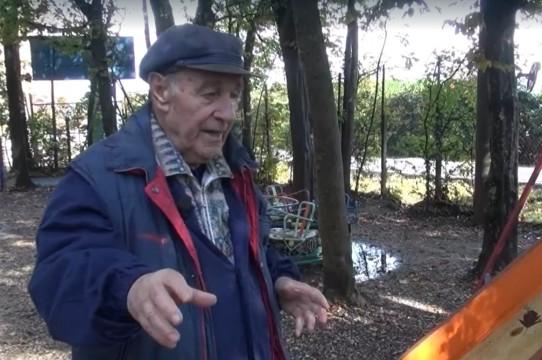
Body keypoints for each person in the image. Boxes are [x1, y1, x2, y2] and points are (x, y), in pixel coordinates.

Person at [28, 24, 329, 360]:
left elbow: (256, 248)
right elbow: (59, 278)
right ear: (160, 91)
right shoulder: (96, 177)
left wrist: (278, 279)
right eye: (210, 93)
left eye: (234, 95)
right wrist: (128, 289)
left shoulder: (237, 171)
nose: (228, 113)